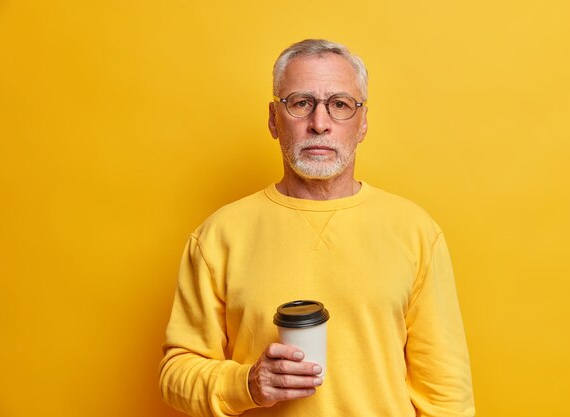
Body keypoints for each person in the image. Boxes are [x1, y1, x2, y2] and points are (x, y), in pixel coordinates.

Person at [159, 39, 475, 417]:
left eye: (340, 105)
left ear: (363, 123)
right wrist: (247, 384)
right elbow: (175, 372)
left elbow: (446, 395)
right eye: (300, 103)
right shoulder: (219, 236)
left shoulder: (415, 231)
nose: (319, 124)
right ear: (274, 119)